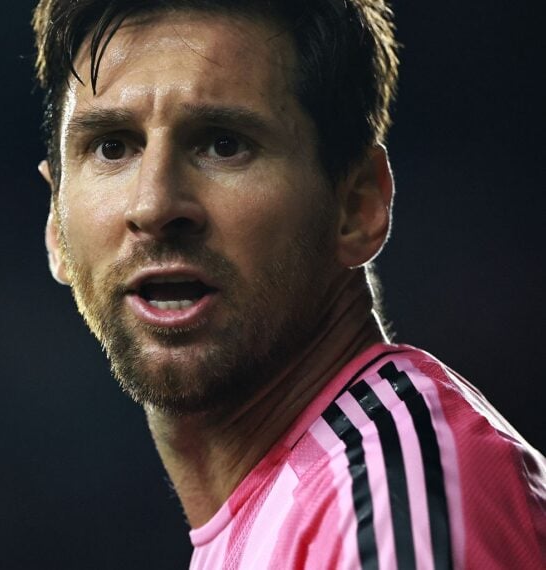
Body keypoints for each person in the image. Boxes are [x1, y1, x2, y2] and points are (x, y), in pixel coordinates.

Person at [30, 0, 546, 567]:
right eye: (112, 147)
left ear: (357, 206)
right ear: (56, 220)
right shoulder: (301, 509)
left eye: (224, 143)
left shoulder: (385, 503)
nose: (155, 205)